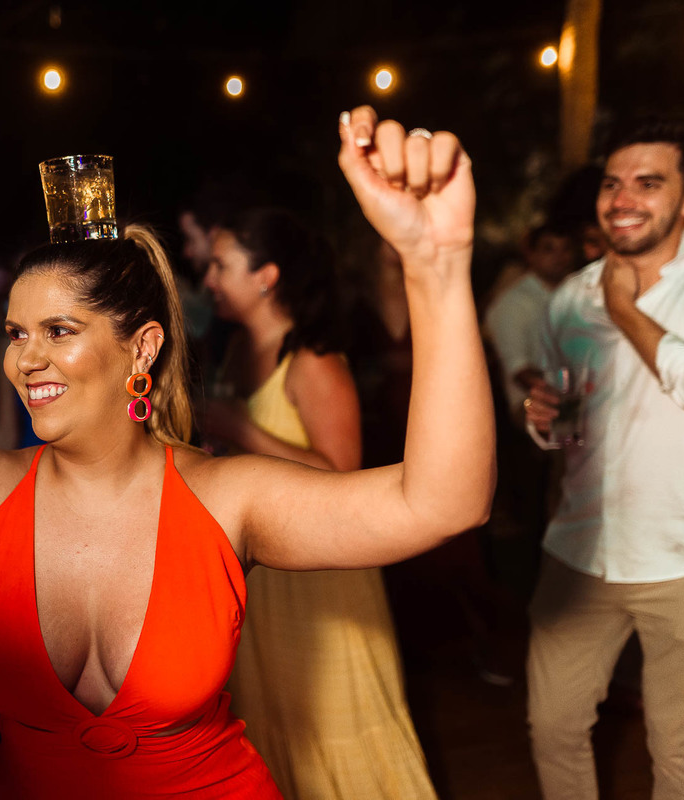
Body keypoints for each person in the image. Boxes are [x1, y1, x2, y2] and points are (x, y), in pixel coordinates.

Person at [0, 108, 495, 798]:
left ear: (141, 347)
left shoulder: (226, 499)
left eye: (58, 331)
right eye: (16, 333)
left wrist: (436, 267)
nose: (25, 359)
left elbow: (443, 502)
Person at [524, 119, 684, 799]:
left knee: (681, 755)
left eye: (648, 183)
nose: (622, 199)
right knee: (552, 728)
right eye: (612, 183)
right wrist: (546, 421)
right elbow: (570, 420)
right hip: (580, 551)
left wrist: (624, 309)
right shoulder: (571, 295)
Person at [201, 207, 436, 798]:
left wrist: (240, 427)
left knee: (335, 726)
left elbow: (343, 474)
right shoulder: (235, 351)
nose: (207, 279)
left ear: (266, 276)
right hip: (259, 572)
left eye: (220, 265)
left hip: (322, 578)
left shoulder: (314, 360)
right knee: (275, 728)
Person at [483, 223, 578, 424]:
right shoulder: (513, 302)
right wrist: (570, 391)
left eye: (566, 248)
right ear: (531, 255)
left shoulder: (579, 293)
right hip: (532, 404)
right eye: (549, 249)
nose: (559, 256)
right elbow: (519, 371)